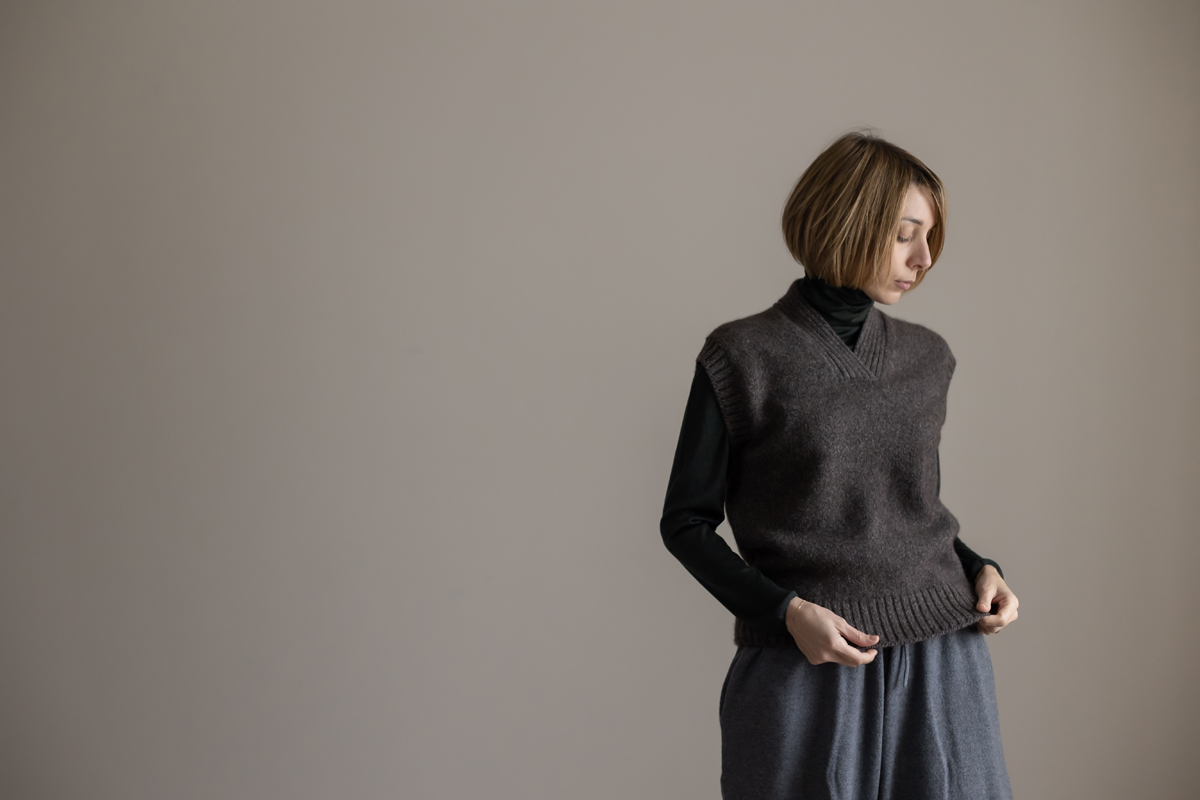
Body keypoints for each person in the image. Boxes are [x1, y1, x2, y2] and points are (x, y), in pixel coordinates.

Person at [659, 131, 1019, 800]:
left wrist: (980, 568)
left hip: (946, 653)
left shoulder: (928, 357)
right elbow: (685, 523)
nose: (925, 258)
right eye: (906, 234)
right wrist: (785, 611)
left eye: (931, 237)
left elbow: (902, 510)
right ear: (846, 223)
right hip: (808, 659)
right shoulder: (742, 355)